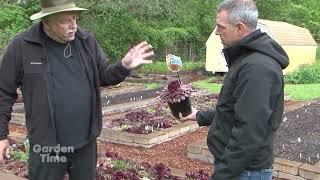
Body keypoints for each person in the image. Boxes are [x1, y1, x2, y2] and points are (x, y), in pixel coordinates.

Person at [0, 0, 154, 179]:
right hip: (47, 146)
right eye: (66, 21)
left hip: (85, 143)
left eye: (75, 18)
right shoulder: (23, 45)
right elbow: (4, 92)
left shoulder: (85, 41)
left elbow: (104, 75)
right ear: (46, 21)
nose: (74, 26)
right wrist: (1, 135)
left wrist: (124, 66)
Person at [183, 0, 289, 179]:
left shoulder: (257, 67)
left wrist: (222, 174)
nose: (217, 32)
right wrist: (200, 116)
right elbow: (236, 110)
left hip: (244, 172)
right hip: (240, 169)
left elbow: (249, 131)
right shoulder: (247, 58)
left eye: (220, 27)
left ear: (239, 28)